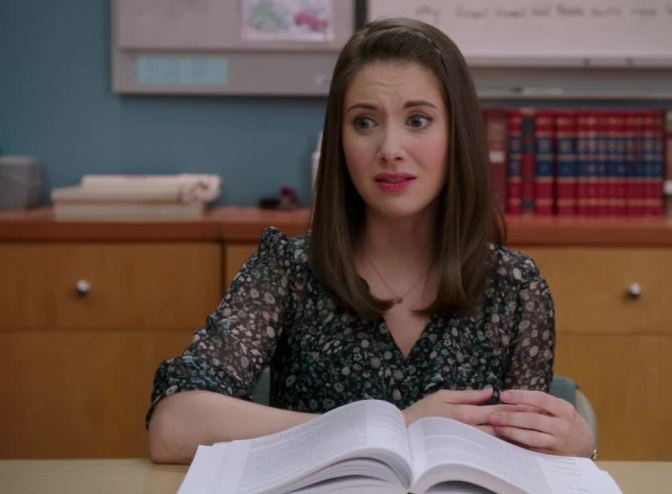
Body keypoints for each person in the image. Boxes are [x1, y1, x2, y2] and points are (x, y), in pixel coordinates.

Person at [147, 18, 594, 464]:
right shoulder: (287, 271)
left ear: (457, 134)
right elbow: (174, 426)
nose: (390, 148)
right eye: (364, 122)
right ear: (339, 140)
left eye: (418, 120)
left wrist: (576, 449)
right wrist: (390, 428)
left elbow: (528, 464)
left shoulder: (514, 287)